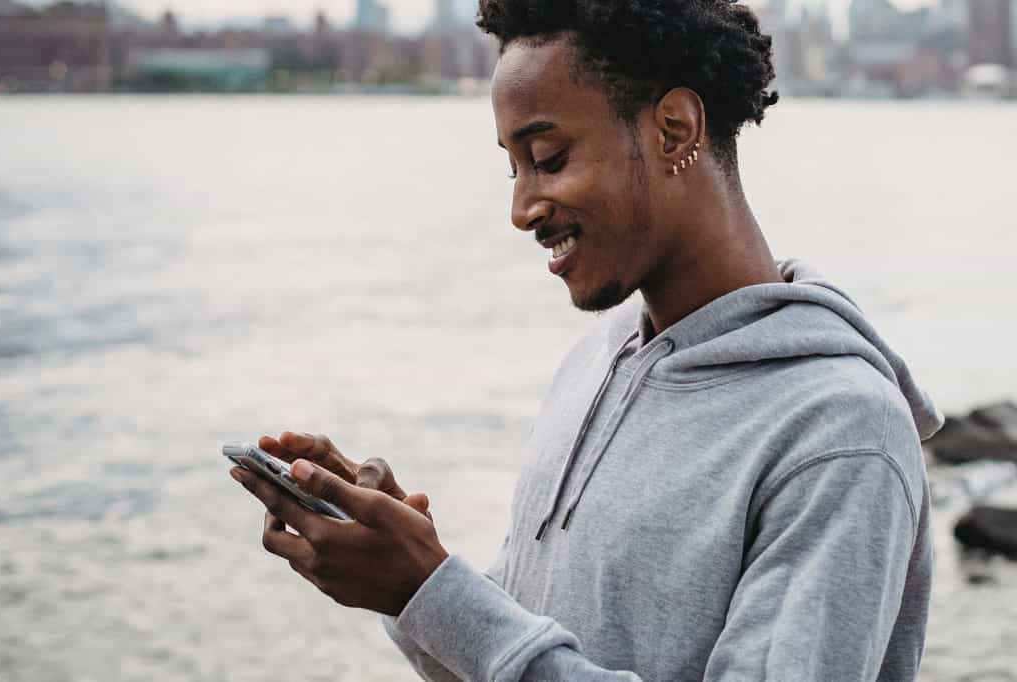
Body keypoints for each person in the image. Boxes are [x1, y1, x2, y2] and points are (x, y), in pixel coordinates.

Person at [229, 0, 945, 679]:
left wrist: (431, 590)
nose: (520, 209)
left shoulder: (841, 433)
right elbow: (510, 654)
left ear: (675, 130)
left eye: (548, 156)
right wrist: (405, 578)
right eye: (514, 167)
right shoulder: (594, 366)